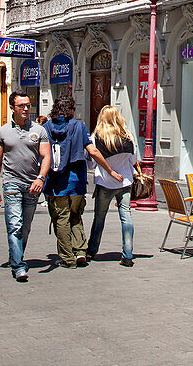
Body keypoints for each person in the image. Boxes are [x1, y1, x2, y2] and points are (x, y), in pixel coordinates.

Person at [43, 94, 123, 269]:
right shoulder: (79, 127)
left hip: (56, 184)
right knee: (75, 215)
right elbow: (92, 152)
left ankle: (67, 258)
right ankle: (80, 252)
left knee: (61, 219)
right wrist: (110, 170)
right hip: (77, 182)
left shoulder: (46, 127)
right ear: (71, 109)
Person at [0, 91, 51, 283]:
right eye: (21, 106)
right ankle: (18, 265)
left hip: (32, 184)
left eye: (28, 105)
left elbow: (46, 156)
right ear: (12, 108)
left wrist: (41, 178)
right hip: (11, 184)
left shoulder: (39, 130)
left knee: (25, 227)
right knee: (15, 224)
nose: (26, 109)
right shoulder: (2, 132)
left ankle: (15, 256)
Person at [88, 105, 138, 266]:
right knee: (126, 217)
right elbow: (132, 160)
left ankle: (92, 250)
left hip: (105, 183)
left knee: (99, 217)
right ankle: (128, 254)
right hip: (125, 182)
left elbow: (91, 164)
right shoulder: (128, 135)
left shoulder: (96, 137)